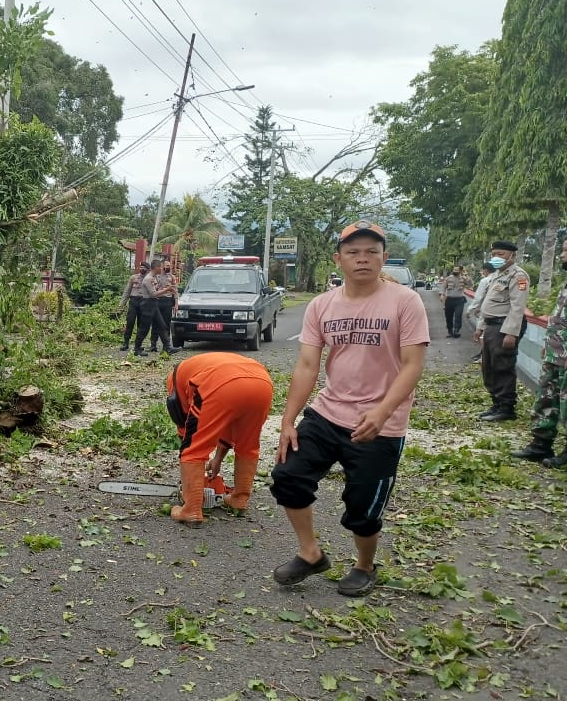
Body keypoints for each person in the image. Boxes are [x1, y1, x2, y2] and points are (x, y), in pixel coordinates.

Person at [270, 221, 429, 597]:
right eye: (354, 252)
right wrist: (288, 420)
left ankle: (364, 565)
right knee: (288, 476)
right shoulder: (322, 305)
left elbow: (412, 365)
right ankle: (310, 554)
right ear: (338, 259)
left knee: (363, 507)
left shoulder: (405, 301)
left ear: (383, 258)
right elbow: (308, 365)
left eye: (371, 252)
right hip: (327, 414)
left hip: (381, 424)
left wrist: (382, 412)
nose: (363, 259)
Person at [165, 352, 274, 526]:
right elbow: (229, 423)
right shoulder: (199, 365)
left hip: (219, 383)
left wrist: (192, 475)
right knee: (248, 446)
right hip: (262, 383)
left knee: (193, 449)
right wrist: (217, 459)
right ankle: (239, 499)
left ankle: (191, 509)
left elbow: (187, 432)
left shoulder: (174, 381)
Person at [512, 238, 567, 465]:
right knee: (546, 398)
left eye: (565, 251)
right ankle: (540, 444)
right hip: (556, 352)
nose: (562, 255)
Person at [472, 241, 529, 422]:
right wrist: (480, 327)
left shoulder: (518, 276)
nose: (496, 257)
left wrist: (511, 333)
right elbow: (488, 304)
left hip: (504, 326)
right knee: (488, 366)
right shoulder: (497, 275)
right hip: (491, 325)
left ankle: (506, 408)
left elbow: (517, 307)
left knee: (502, 366)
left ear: (512, 255)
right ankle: (496, 404)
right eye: (494, 254)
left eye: (501, 254)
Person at [133, 260, 178, 356]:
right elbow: (153, 294)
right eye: (160, 267)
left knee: (161, 325)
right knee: (144, 328)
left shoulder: (153, 278)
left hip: (154, 304)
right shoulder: (148, 279)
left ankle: (168, 347)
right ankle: (137, 348)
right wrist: (167, 289)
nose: (161, 269)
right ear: (156, 267)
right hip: (148, 304)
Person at [465, 262, 494, 364]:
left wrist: (470, 309)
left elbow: (478, 297)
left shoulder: (485, 281)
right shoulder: (500, 279)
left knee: (483, 335)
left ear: (485, 270)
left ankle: (485, 358)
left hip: (487, 312)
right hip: (500, 313)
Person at [119, 262, 150, 351]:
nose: (142, 269)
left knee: (141, 324)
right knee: (130, 322)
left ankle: (138, 344)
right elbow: (127, 291)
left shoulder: (149, 279)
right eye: (141, 267)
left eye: (144, 267)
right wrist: (122, 304)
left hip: (144, 302)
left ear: (147, 270)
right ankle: (126, 342)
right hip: (133, 301)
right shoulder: (133, 278)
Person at [150, 263, 178, 353]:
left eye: (169, 265)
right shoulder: (155, 277)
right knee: (155, 323)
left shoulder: (172, 277)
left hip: (167, 301)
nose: (168, 267)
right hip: (157, 300)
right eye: (166, 265)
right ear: (162, 266)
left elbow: (175, 291)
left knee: (166, 324)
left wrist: (176, 304)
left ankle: (166, 346)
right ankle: (153, 345)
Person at [439, 265, 469, 338]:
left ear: (461, 271)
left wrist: (466, 276)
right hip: (449, 299)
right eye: (454, 270)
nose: (455, 271)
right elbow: (443, 286)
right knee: (448, 316)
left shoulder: (464, 278)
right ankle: (450, 331)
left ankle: (456, 330)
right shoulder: (449, 278)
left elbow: (470, 284)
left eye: (457, 270)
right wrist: (442, 295)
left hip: (459, 300)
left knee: (458, 315)